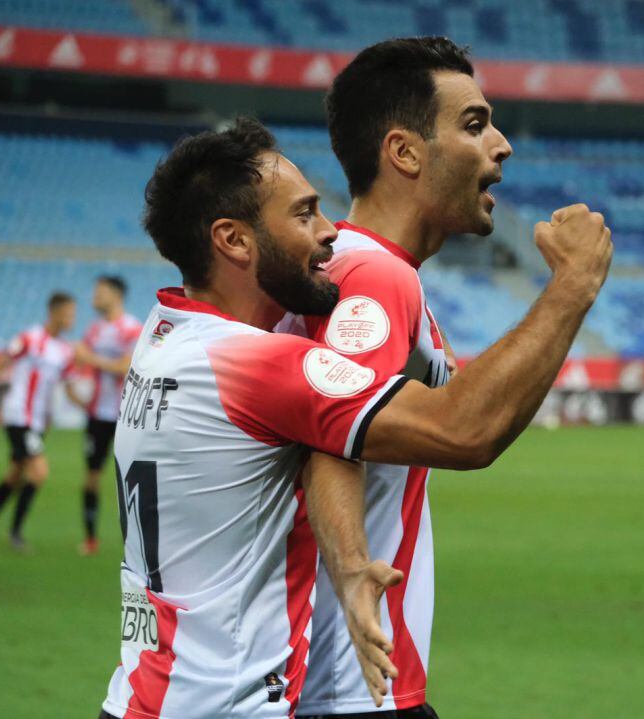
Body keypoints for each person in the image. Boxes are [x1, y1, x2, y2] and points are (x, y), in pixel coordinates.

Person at [98, 117, 611, 719]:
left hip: (143, 695)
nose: (328, 235)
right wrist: (572, 284)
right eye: (304, 214)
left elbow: (327, 444)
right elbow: (463, 430)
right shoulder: (257, 366)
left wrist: (346, 563)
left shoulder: (162, 338)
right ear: (234, 241)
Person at [280, 36, 512, 718]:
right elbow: (331, 434)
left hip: (342, 682)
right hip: (350, 686)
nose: (501, 145)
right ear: (405, 152)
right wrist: (571, 289)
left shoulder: (360, 268)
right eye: (474, 124)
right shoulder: (373, 274)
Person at [0, 292, 78, 552]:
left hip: (36, 421)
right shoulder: (29, 339)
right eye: (68, 313)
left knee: (14, 475)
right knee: (38, 472)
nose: (71, 319)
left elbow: (64, 387)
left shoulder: (64, 351)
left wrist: (80, 407)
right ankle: (15, 533)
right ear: (54, 312)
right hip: (18, 416)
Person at [73, 275, 143, 555]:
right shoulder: (94, 329)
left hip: (127, 414)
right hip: (97, 414)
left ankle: (138, 542)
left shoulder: (132, 328)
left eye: (100, 291)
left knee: (133, 478)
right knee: (91, 476)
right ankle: (90, 539)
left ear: (116, 295)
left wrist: (89, 358)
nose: (95, 296)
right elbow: (80, 358)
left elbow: (124, 367)